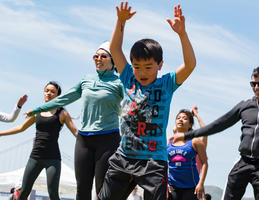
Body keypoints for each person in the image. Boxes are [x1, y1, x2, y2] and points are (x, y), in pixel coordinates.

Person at [98, 1, 196, 200]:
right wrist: (120, 22)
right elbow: (115, 49)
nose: (142, 72)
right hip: (124, 156)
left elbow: (189, 64)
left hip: (153, 161)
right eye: (137, 66)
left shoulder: (166, 84)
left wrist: (182, 34)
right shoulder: (128, 78)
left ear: (160, 65)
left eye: (148, 67)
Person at [173, 66, 259, 200]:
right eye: (253, 84)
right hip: (243, 161)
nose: (256, 87)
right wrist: (187, 135)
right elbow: (219, 124)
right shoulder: (245, 106)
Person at [27, 42, 124, 200]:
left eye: (103, 56)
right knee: (82, 188)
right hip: (84, 139)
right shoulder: (86, 79)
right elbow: (65, 98)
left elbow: (131, 104)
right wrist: (38, 109)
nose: (98, 59)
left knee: (102, 188)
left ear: (112, 60)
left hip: (108, 138)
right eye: (95, 56)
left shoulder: (119, 83)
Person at [0, 81, 77, 200]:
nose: (49, 93)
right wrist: (1, 133)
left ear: (58, 96)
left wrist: (94, 140)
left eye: (52, 91)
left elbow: (76, 133)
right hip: (35, 157)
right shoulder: (37, 112)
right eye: (46, 91)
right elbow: (21, 128)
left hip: (53, 158)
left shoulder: (62, 113)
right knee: (24, 191)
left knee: (53, 194)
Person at [168, 108, 208, 200]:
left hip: (191, 186)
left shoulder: (195, 142)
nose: (180, 119)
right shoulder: (169, 141)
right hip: (173, 185)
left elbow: (205, 132)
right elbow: (165, 163)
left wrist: (196, 115)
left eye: (184, 118)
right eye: (178, 118)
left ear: (190, 124)